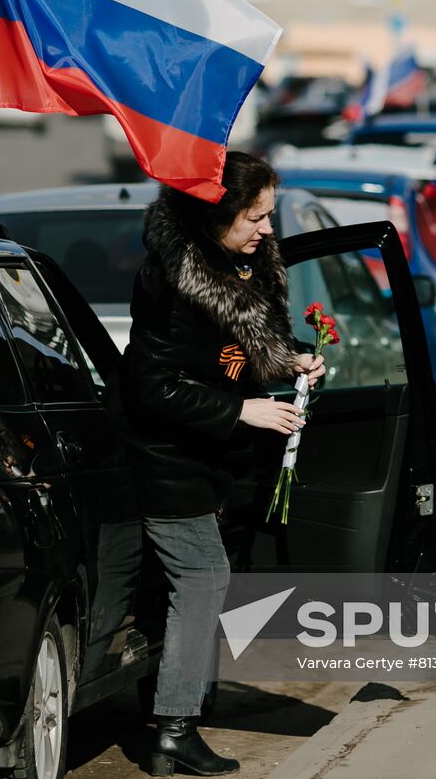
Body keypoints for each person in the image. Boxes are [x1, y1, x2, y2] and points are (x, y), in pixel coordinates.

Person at [121, 152, 323, 777]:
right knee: (204, 578)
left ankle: (170, 710)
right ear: (218, 214)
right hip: (164, 455)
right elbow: (152, 384)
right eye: (255, 216)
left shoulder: (244, 266)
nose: (267, 229)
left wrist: (293, 359)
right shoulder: (171, 282)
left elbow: (235, 352)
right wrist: (243, 412)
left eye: (269, 215)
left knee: (194, 583)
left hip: (209, 460)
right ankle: (173, 731)